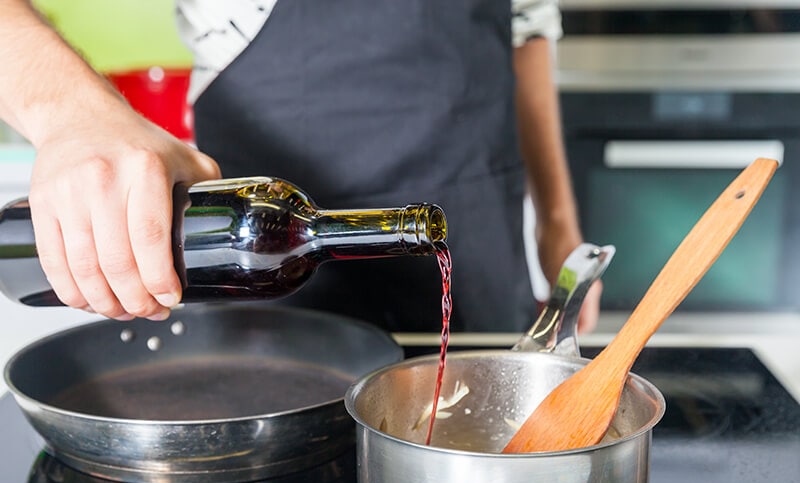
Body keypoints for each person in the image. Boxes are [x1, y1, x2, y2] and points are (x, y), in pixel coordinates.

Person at [0, 0, 601, 333]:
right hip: (255, 252)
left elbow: (526, 26)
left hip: (476, 236)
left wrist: (557, 224)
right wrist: (74, 115)